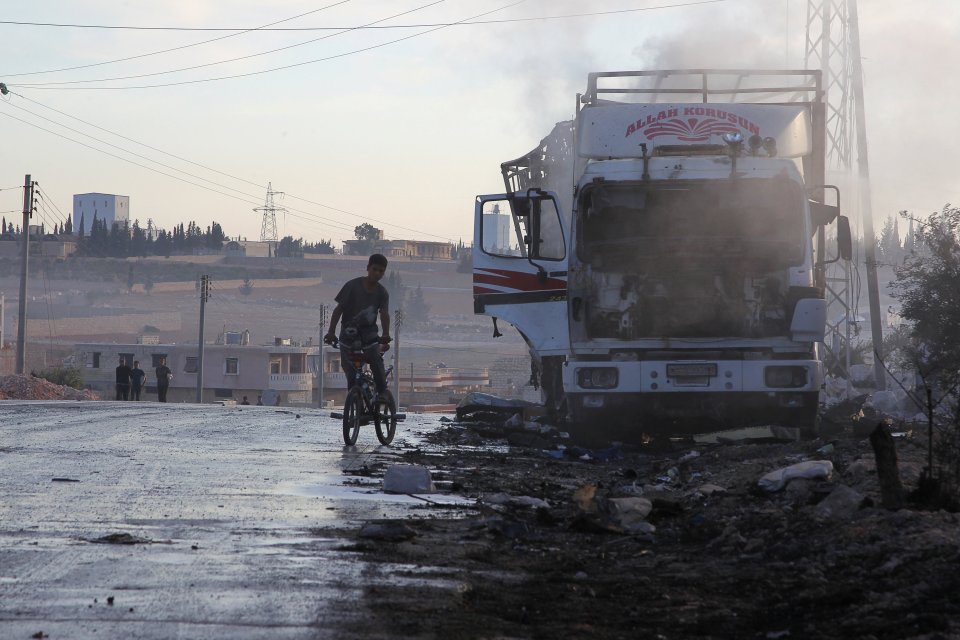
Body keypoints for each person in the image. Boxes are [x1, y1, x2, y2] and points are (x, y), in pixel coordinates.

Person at [324, 253, 391, 399]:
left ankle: (382, 392)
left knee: (375, 358)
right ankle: (353, 394)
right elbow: (338, 310)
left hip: (369, 334)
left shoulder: (382, 293)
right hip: (349, 333)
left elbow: (384, 314)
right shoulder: (352, 286)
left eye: (381, 271)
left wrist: (385, 334)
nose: (377, 273)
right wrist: (331, 332)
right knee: (348, 366)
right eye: (375, 269)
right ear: (368, 268)